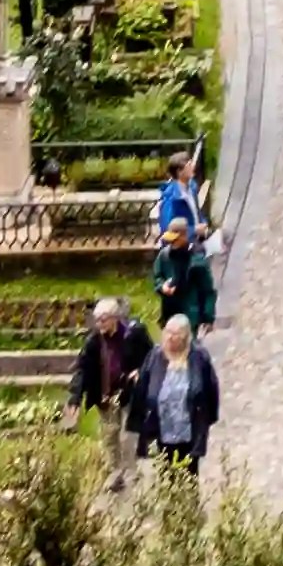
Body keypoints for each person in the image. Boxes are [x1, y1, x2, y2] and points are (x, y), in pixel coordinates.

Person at [70, 294, 149, 481]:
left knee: (128, 434)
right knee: (109, 435)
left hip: (130, 392)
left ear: (115, 318)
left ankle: (130, 471)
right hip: (106, 394)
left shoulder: (134, 334)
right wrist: (75, 398)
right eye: (97, 320)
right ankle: (115, 472)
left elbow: (152, 356)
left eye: (103, 320)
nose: (99, 324)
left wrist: (140, 371)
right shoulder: (94, 341)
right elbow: (82, 370)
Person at [135, 310, 220, 472]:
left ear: (186, 336)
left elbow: (211, 391)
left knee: (188, 481)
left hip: (188, 433)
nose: (170, 338)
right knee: (164, 479)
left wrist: (205, 421)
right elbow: (142, 389)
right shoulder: (155, 356)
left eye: (176, 334)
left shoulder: (199, 357)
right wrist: (140, 424)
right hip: (159, 432)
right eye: (168, 332)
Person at [152, 144, 205, 313]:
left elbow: (196, 211)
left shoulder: (192, 187)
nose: (193, 166)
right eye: (189, 165)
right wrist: (193, 230)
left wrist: (203, 223)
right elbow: (169, 229)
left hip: (195, 243)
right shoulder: (172, 199)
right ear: (179, 171)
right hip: (182, 247)